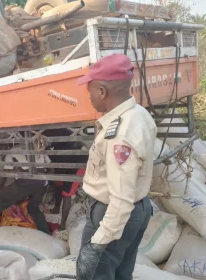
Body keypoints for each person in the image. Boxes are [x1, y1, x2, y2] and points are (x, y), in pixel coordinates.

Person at [75, 54, 156, 280]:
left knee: (95, 274)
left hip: (113, 215)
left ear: (102, 91)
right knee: (122, 273)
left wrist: (98, 243)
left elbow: (120, 199)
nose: (89, 96)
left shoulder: (119, 135)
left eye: (89, 90)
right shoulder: (139, 114)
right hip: (139, 209)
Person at [0, 144, 52, 234]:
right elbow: (51, 169)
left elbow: (5, 175)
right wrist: (45, 181)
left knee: (2, 199)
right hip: (42, 184)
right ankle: (45, 233)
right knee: (34, 207)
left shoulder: (11, 151)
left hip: (26, 181)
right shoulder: (36, 147)